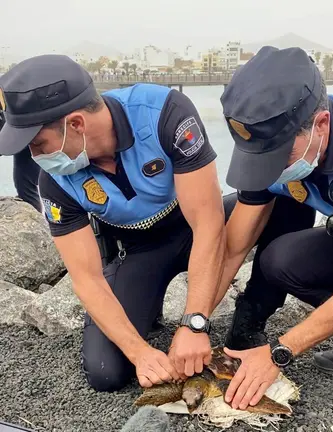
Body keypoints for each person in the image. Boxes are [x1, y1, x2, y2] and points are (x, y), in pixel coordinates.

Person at [0, 54, 236, 392]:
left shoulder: (165, 114)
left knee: (274, 204)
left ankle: (250, 324)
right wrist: (139, 353)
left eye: (38, 145)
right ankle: (148, 310)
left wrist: (195, 324)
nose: (36, 158)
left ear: (76, 124)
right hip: (140, 247)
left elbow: (209, 225)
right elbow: (86, 278)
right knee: (105, 373)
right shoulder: (56, 180)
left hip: (192, 222)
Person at [212, 46, 333, 411]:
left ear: (321, 124)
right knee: (279, 259)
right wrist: (194, 323)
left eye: (278, 158)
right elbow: (233, 247)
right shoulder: (271, 138)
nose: (268, 169)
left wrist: (280, 352)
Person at [0, 110, 41, 212]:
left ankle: (32, 217)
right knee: (25, 183)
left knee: (26, 184)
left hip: (21, 121)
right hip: (16, 118)